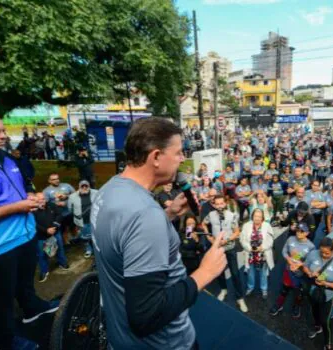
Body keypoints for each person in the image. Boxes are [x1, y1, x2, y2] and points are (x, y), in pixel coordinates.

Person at [91, 118, 226, 349]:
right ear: (155, 157)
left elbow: (125, 239)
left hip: (119, 339)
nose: (183, 159)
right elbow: (146, 316)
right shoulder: (144, 215)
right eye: (179, 153)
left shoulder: (108, 190)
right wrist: (205, 272)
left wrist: (168, 216)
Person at [0, 110, 58, 350]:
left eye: (3, 130)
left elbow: (14, 192)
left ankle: (31, 307)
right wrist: (17, 207)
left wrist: (31, 197)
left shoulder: (5, 157)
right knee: (1, 299)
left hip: (25, 234)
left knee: (24, 283)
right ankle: (6, 341)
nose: (4, 135)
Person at [202, 195, 248, 313]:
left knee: (235, 273)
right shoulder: (211, 215)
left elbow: (237, 232)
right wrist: (209, 237)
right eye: (217, 204)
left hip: (230, 247)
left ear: (225, 203)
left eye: (221, 203)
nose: (220, 206)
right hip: (217, 248)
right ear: (214, 204)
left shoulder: (232, 216)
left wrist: (227, 240)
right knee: (219, 272)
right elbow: (203, 224)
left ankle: (240, 298)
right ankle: (223, 289)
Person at [302, 237, 333, 349]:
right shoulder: (313, 254)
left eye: (327, 253)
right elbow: (305, 266)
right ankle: (317, 327)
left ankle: (327, 342)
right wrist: (311, 273)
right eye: (321, 252)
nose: (323, 255)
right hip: (312, 291)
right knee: (314, 312)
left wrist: (325, 283)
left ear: (332, 251)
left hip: (327, 296)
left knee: (325, 321)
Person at [270, 222, 315, 319]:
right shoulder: (290, 239)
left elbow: (312, 262)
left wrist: (301, 264)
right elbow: (284, 251)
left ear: (307, 233)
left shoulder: (311, 246)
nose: (299, 232)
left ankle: (297, 306)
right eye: (298, 230)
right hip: (288, 270)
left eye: (302, 231)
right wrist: (288, 259)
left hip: (301, 274)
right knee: (284, 289)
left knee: (299, 293)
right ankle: (279, 305)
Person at [33, 192, 69, 282]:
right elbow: (34, 224)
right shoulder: (32, 210)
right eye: (40, 199)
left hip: (55, 233)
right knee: (42, 255)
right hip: (41, 237)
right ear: (35, 200)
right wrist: (46, 230)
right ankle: (44, 271)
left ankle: (62, 263)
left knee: (59, 248)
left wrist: (55, 226)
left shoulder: (51, 205)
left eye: (44, 199)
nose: (43, 201)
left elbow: (59, 215)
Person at [240, 208, 274, 299]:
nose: (257, 218)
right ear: (252, 216)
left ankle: (264, 289)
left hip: (263, 254)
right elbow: (242, 239)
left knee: (263, 273)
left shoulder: (267, 226)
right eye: (255, 216)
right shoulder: (246, 225)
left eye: (259, 216)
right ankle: (250, 287)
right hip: (250, 254)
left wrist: (262, 248)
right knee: (250, 272)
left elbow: (270, 241)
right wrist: (249, 248)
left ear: (262, 217)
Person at [67, 180, 98, 258]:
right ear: (79, 187)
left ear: (89, 186)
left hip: (95, 220)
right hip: (81, 221)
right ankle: (88, 249)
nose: (84, 187)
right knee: (85, 237)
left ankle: (97, 250)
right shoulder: (72, 196)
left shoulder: (96, 193)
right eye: (82, 186)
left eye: (86, 186)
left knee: (95, 236)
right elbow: (70, 208)